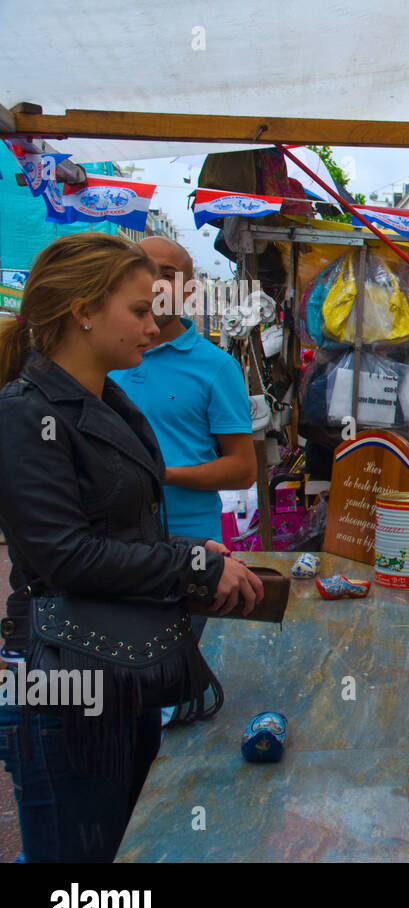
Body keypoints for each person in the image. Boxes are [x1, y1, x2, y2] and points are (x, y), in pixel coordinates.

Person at [0, 233, 264, 862]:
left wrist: (197, 553)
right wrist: (191, 563)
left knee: (125, 852)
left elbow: (123, 533)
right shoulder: (24, 411)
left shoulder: (109, 401)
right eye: (140, 311)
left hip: (120, 668)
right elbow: (66, 555)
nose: (154, 323)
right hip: (60, 681)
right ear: (83, 311)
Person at [108, 236, 255, 657]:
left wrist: (158, 474)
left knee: (175, 678)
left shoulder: (216, 367)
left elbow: (242, 469)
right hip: (114, 549)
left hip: (192, 550)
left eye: (166, 274)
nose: (153, 282)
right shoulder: (105, 357)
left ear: (189, 291)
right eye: (142, 269)